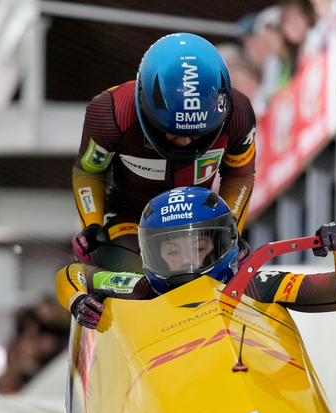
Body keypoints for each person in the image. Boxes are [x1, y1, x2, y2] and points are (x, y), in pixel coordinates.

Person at [56, 187, 336, 329]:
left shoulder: (254, 285)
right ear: (151, 254)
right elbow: (76, 273)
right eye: (171, 251)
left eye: (198, 248)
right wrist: (77, 302)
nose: (186, 261)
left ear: (222, 244)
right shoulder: (141, 288)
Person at [71, 33, 258, 273]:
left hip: (197, 224)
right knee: (135, 283)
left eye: (199, 132)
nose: (186, 140)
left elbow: (239, 175)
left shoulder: (239, 114)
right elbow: (88, 170)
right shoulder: (110, 113)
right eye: (173, 131)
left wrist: (231, 227)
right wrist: (92, 224)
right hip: (130, 221)